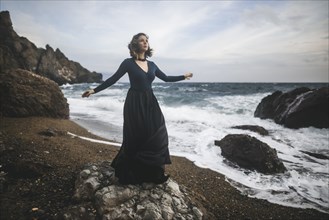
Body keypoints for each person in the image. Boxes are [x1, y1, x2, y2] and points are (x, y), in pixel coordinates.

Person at [82, 33, 193, 184]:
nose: (145, 42)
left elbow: (166, 78)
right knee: (136, 136)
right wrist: (94, 90)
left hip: (150, 102)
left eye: (147, 40)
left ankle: (152, 172)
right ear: (135, 44)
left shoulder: (152, 65)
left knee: (158, 132)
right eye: (142, 40)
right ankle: (131, 173)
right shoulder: (128, 63)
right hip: (134, 102)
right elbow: (113, 79)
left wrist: (183, 76)